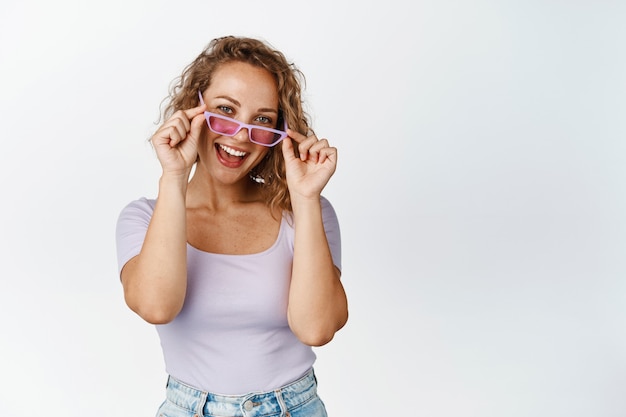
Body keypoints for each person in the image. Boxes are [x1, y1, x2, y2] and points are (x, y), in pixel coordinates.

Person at [115, 35, 348, 417]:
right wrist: (174, 176)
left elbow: (317, 329)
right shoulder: (143, 217)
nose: (241, 135)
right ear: (194, 109)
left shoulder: (305, 212)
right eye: (225, 110)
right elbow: (156, 306)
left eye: (262, 120)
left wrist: (304, 199)